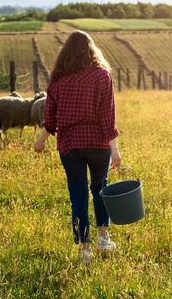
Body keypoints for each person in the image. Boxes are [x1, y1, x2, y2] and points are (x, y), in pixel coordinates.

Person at [34, 30, 122, 264]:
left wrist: (41, 140)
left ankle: (85, 250)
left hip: (70, 146)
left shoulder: (58, 80)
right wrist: (115, 149)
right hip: (98, 144)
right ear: (92, 49)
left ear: (66, 52)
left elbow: (50, 118)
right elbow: (107, 116)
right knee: (100, 188)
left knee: (78, 196)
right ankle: (103, 238)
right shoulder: (103, 76)